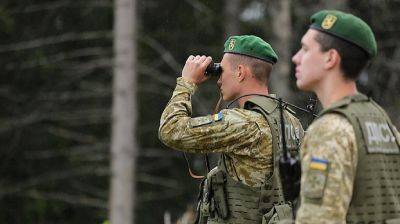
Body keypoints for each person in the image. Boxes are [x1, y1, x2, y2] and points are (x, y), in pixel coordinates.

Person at [159, 35, 304, 224]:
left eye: (222, 71)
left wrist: (187, 82)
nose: (218, 80)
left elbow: (170, 130)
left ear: (240, 72)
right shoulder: (291, 121)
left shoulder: (244, 123)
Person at [292, 10, 400, 223]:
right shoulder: (380, 119)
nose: (296, 58)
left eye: (305, 49)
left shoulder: (330, 129)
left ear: (330, 58)